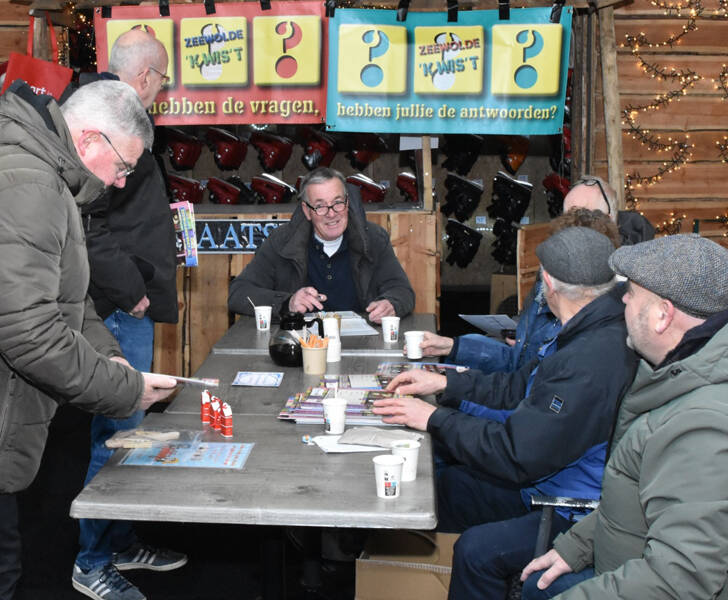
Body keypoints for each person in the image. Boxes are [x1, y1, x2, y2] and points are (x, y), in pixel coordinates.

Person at [0, 79, 177, 600]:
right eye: (123, 168)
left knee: (7, 565)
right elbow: (31, 334)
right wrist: (124, 390)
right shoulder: (27, 187)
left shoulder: (38, 178)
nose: (119, 182)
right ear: (89, 142)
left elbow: (69, 299)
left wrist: (111, 359)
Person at [372, 227, 639, 600]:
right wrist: (445, 385)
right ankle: (409, 577)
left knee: (476, 551)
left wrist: (432, 419)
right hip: (547, 478)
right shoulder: (585, 329)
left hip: (570, 506)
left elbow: (518, 454)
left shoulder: (589, 359)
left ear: (548, 282)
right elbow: (516, 386)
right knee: (448, 486)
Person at [520, 234, 728, 599]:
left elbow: (679, 581)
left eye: (631, 293)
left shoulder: (702, 425)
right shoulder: (673, 373)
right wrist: (576, 547)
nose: (623, 302)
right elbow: (639, 501)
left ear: (663, 315)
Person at [63, 29, 186, 600]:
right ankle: (91, 561)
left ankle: (120, 541)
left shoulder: (122, 120)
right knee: (117, 434)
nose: (162, 89)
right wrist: (132, 288)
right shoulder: (112, 127)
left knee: (130, 431)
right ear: (144, 77)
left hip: (128, 300)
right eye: (162, 78)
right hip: (116, 305)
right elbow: (89, 227)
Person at [420, 176, 648, 374]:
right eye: (568, 215)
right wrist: (452, 346)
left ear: (607, 220)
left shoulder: (618, 289)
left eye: (582, 217)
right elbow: (523, 363)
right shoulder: (556, 263)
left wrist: (446, 399)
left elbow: (536, 396)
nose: (571, 225)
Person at [227, 167, 415, 323]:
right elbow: (238, 294)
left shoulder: (373, 239)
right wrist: (287, 303)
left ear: (347, 203)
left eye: (338, 203)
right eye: (320, 206)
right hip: (299, 345)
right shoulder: (281, 242)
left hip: (361, 343)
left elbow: (403, 291)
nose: (331, 214)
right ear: (307, 211)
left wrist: (391, 304)